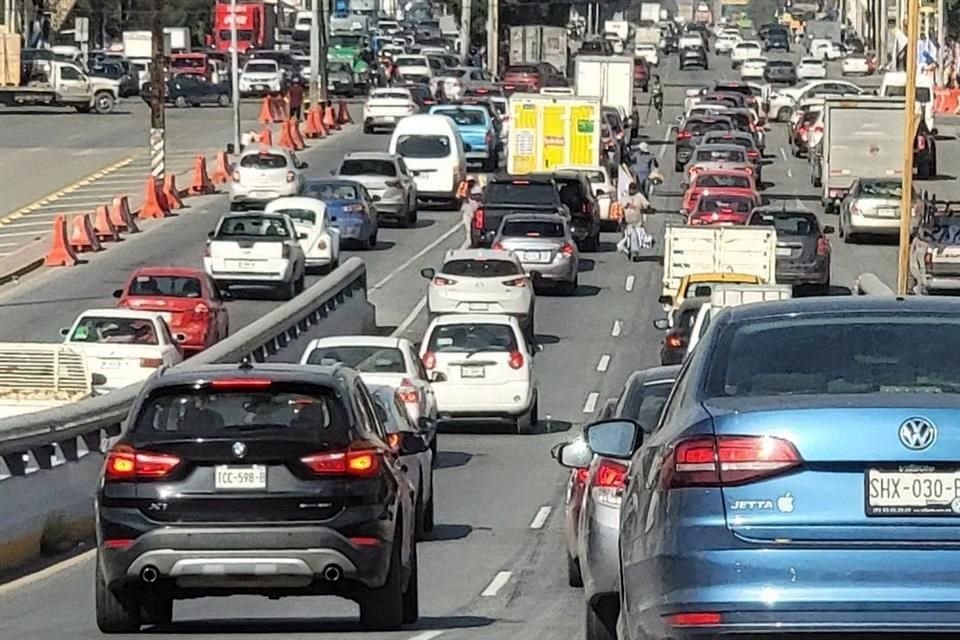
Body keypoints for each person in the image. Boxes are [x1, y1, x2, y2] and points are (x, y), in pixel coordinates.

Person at [616, 182, 653, 261]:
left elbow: (646, 205)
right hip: (627, 223)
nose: (632, 190)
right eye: (630, 189)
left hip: (637, 223)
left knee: (635, 239)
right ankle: (627, 251)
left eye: (633, 189)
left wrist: (647, 209)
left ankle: (635, 254)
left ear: (636, 189)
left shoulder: (639, 196)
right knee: (626, 239)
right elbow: (619, 207)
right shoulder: (625, 197)